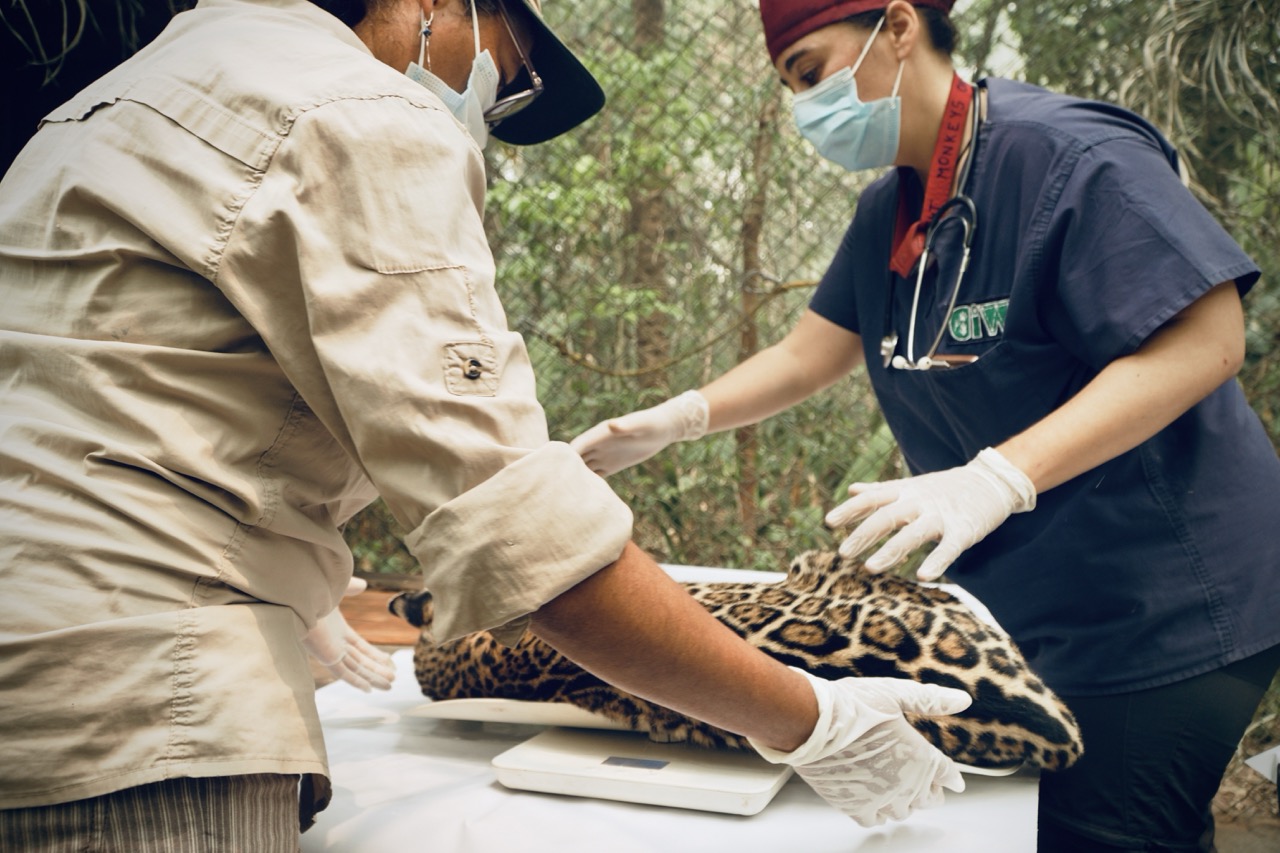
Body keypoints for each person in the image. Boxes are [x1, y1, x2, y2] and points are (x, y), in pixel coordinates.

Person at [0, 0, 976, 847]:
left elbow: (117, 400)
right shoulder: (355, 111)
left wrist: (291, 590)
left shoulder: (115, 100)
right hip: (132, 715)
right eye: (507, 77)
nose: (490, 104)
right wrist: (808, 718)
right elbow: (528, 544)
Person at [571, 1, 1280, 850]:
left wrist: (997, 476)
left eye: (808, 71)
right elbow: (809, 354)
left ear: (898, 26)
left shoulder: (1069, 156)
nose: (804, 107)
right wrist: (677, 419)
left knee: (1106, 827)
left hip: (1167, 594)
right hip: (1036, 600)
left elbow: (1206, 339)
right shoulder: (893, 210)